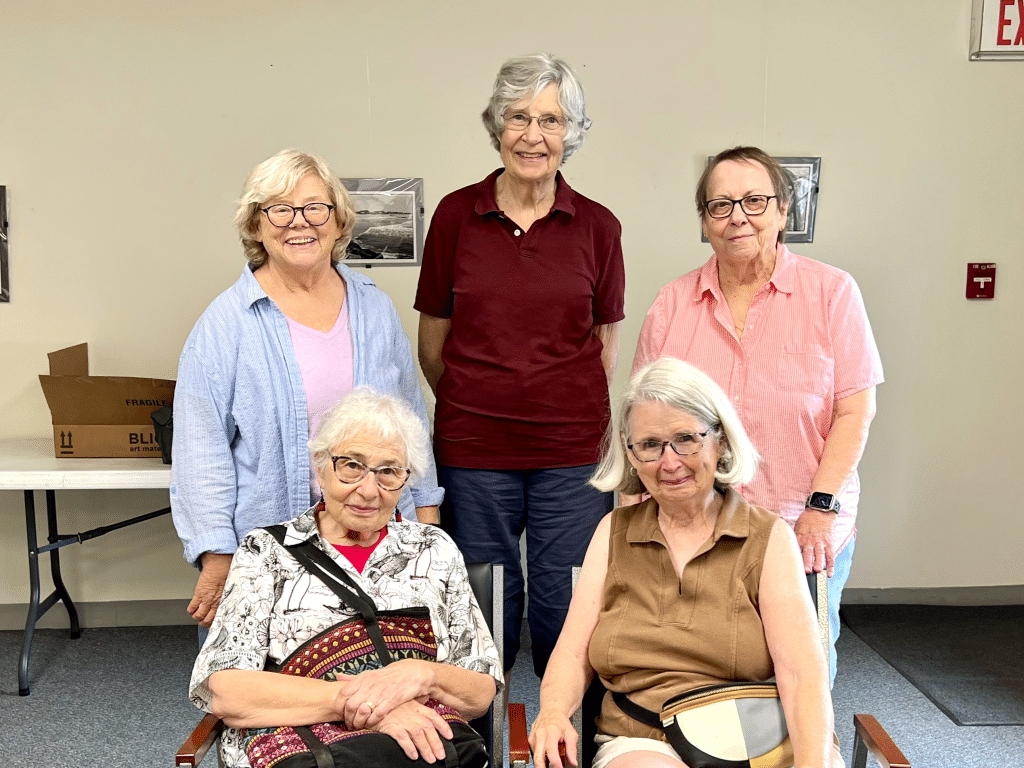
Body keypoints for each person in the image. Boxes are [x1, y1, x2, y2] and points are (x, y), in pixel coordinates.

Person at [632, 146, 882, 684]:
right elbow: (644, 421)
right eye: (720, 205)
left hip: (802, 522)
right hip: (697, 526)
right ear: (704, 221)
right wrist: (634, 509)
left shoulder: (832, 293)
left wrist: (821, 507)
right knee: (702, 660)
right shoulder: (672, 305)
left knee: (801, 668)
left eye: (753, 200)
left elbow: (855, 410)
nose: (737, 216)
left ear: (783, 210)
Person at [415, 53, 625, 679]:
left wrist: (563, 405)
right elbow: (433, 342)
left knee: (570, 602)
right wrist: (479, 400)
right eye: (518, 117)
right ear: (497, 127)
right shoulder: (455, 215)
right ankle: (485, 740)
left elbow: (604, 343)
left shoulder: (599, 226)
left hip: (572, 452)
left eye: (551, 120)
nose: (534, 135)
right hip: (474, 447)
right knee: (481, 605)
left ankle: (569, 731)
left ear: (572, 133)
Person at [172, 149, 443, 634]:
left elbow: (412, 424)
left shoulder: (375, 310)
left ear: (339, 222)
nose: (300, 222)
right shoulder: (225, 325)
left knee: (379, 669)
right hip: (273, 544)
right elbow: (201, 451)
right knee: (274, 685)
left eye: (315, 207)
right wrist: (217, 553)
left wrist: (425, 519)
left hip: (376, 535)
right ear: (255, 226)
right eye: (279, 208)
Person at [529, 358, 840, 768]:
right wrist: (552, 711)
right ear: (631, 453)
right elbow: (572, 652)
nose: (669, 462)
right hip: (644, 737)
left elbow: (801, 673)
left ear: (721, 442)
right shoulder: (613, 532)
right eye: (650, 445)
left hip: (751, 738)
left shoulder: (768, 538)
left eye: (686, 439)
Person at [189, 389, 502, 768]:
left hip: (421, 754)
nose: (369, 491)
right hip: (304, 753)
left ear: (405, 481)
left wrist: (422, 675)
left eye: (388, 471)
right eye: (352, 465)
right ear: (321, 468)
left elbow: (480, 690)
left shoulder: (433, 549)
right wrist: (367, 705)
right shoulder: (266, 552)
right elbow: (225, 690)